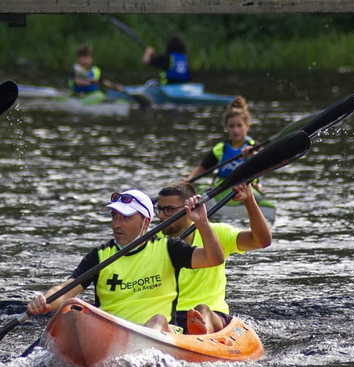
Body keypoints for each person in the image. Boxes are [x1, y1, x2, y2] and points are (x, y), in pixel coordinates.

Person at [25, 189, 224, 333]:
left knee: (158, 319)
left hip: (161, 335)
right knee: (75, 310)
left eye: (126, 218)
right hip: (110, 333)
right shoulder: (100, 256)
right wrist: (45, 301)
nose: (117, 224)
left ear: (146, 222)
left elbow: (214, 258)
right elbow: (66, 289)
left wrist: (202, 223)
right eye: (114, 216)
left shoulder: (168, 248)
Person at [155, 180, 272, 336]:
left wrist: (248, 200)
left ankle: (201, 337)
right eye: (159, 209)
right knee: (157, 318)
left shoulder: (216, 233)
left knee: (202, 309)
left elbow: (262, 241)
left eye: (169, 210)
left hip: (214, 315)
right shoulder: (152, 242)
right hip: (172, 316)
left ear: (188, 210)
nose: (162, 216)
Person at [187, 96, 257, 184]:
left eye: (239, 126)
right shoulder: (219, 148)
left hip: (249, 186)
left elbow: (264, 163)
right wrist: (187, 180)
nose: (235, 130)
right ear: (226, 127)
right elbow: (202, 168)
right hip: (224, 187)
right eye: (231, 126)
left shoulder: (254, 146)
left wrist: (253, 154)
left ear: (247, 126)